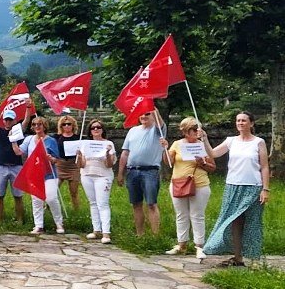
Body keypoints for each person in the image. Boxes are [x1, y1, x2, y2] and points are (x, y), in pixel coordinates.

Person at [203, 111, 270, 266]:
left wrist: (265, 189)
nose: (240, 123)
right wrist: (205, 139)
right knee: (233, 221)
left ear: (251, 123)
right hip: (233, 186)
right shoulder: (231, 141)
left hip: (253, 187)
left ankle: (253, 259)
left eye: (244, 120)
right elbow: (213, 153)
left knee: (253, 222)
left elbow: (265, 167)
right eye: (238, 120)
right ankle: (237, 257)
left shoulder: (258, 142)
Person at [164, 117, 215, 258]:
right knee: (181, 215)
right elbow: (168, 162)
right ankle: (182, 244)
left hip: (200, 184)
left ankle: (199, 246)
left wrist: (202, 163)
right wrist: (165, 149)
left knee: (197, 215)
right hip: (178, 183)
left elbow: (212, 167)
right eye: (194, 129)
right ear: (186, 131)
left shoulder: (203, 145)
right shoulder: (177, 144)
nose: (197, 132)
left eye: (198, 129)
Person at [116, 110, 168, 236]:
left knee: (151, 204)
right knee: (136, 204)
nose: (144, 116)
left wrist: (152, 105)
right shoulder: (132, 131)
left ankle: (155, 236)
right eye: (142, 113)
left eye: (147, 114)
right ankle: (140, 234)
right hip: (132, 171)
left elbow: (160, 121)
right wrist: (120, 173)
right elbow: (125, 153)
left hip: (150, 171)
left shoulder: (158, 130)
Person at [0, 99, 30, 223]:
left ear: (14, 120)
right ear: (3, 121)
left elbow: (26, 121)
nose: (8, 122)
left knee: (18, 196)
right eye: (6, 119)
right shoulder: (0, 131)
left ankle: (19, 220)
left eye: (10, 120)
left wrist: (28, 108)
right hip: (1, 166)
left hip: (16, 166)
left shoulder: (19, 131)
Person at [20, 116, 64, 235]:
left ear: (44, 126)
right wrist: (13, 140)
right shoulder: (29, 139)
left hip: (49, 174)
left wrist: (51, 158)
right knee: (36, 200)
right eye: (34, 125)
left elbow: (56, 159)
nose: (36, 127)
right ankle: (39, 225)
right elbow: (19, 152)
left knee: (51, 198)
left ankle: (59, 223)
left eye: (39, 124)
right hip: (34, 174)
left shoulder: (51, 141)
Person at [76, 119, 115, 244]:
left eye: (98, 127)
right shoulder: (85, 144)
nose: (96, 129)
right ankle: (96, 229)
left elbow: (109, 165)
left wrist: (108, 153)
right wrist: (78, 155)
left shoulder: (108, 144)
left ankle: (106, 232)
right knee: (93, 203)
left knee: (102, 203)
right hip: (87, 174)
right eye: (93, 128)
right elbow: (81, 164)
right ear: (90, 131)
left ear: (102, 130)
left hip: (103, 176)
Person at [53, 115, 82, 211]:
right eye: (64, 124)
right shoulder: (56, 137)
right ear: (61, 126)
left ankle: (76, 211)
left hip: (73, 165)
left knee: (74, 192)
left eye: (69, 124)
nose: (66, 126)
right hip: (60, 164)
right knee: (53, 190)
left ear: (73, 125)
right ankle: (48, 208)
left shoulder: (79, 138)